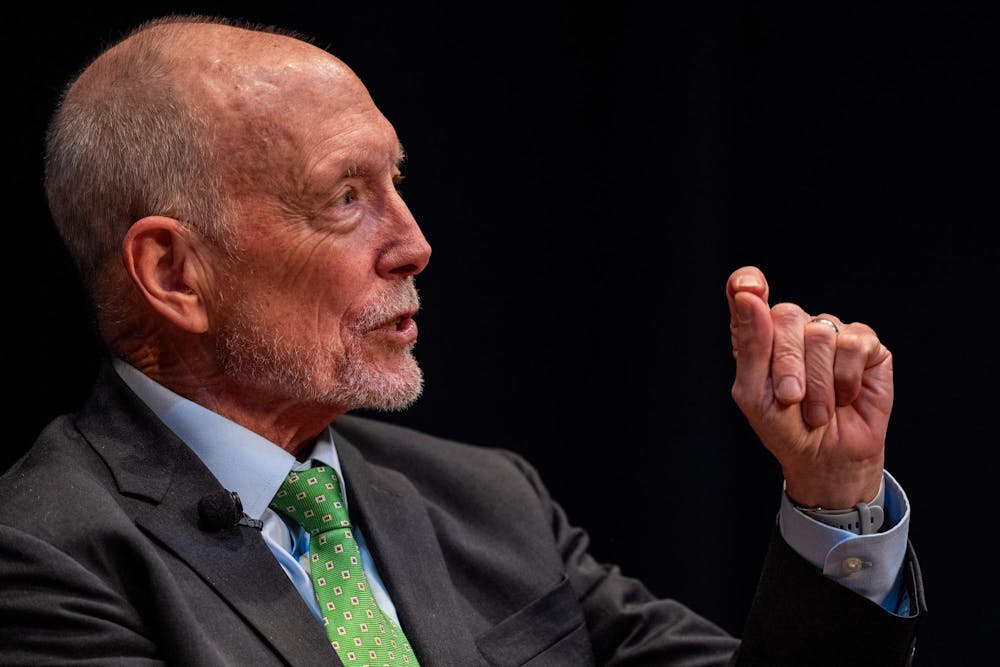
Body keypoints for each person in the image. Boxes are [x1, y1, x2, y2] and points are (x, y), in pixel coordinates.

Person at [0, 14, 924, 667]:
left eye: (396, 183)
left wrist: (832, 496)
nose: (414, 243)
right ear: (174, 273)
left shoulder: (488, 500)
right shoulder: (45, 555)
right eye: (347, 197)